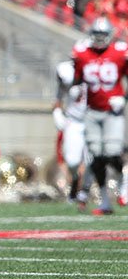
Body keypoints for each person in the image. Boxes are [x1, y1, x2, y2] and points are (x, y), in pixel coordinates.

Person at [71, 18, 128, 215]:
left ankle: (125, 183)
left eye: (103, 35)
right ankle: (105, 201)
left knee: (113, 152)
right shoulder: (82, 53)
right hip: (92, 112)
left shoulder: (120, 52)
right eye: (97, 35)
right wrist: (75, 89)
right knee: (96, 155)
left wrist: (124, 98)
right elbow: (77, 79)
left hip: (113, 112)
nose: (100, 39)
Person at [53, 60, 90, 209]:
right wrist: (56, 112)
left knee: (91, 160)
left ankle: (83, 194)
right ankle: (75, 181)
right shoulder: (67, 71)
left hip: (92, 119)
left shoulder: (96, 71)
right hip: (73, 122)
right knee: (73, 161)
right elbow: (59, 96)